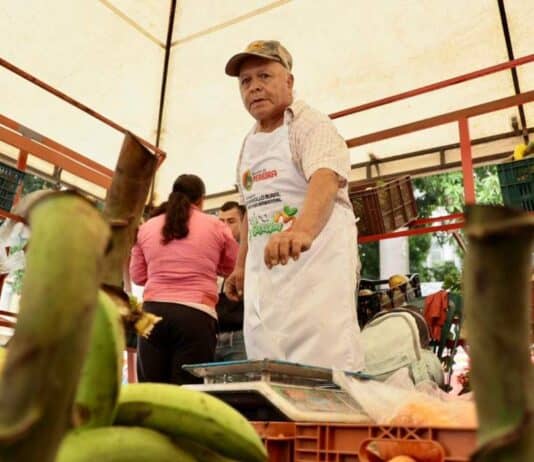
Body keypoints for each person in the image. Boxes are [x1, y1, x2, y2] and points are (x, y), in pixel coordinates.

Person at [223, 40, 364, 371]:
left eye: (264, 76)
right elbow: (249, 209)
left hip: (315, 276)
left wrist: (301, 230)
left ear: (289, 81)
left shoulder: (310, 125)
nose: (254, 87)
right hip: (265, 285)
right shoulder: (248, 143)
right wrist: (241, 265)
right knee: (267, 366)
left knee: (324, 367)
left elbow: (326, 178)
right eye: (245, 82)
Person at [130, 174, 238, 384]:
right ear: (201, 200)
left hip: (151, 313)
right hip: (195, 315)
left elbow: (138, 276)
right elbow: (230, 268)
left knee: (151, 391)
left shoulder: (147, 227)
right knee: (187, 394)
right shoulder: (216, 226)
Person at [214, 201, 247, 362]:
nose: (225, 227)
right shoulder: (211, 254)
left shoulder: (251, 255)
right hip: (212, 337)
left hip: (240, 336)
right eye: (221, 222)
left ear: (244, 224)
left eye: (231, 221)